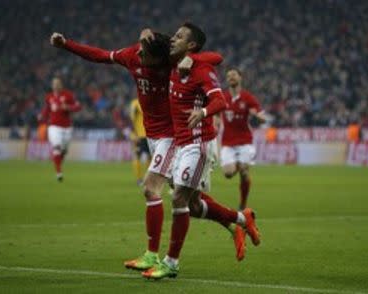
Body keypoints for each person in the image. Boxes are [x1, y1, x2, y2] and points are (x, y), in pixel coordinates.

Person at [50, 31, 247, 270]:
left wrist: (192, 60)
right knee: (192, 203)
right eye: (140, 49)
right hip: (152, 136)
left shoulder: (172, 61)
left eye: (145, 52)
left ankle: (153, 255)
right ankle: (238, 220)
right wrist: (65, 44)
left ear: (160, 58)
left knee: (151, 189)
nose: (139, 53)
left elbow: (215, 57)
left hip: (172, 136)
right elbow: (100, 55)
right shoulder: (133, 55)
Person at [142, 23, 261, 280]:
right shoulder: (174, 63)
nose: (173, 39)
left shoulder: (201, 69)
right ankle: (242, 218)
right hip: (182, 143)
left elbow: (221, 99)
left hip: (198, 143)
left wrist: (203, 111)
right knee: (194, 206)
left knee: (178, 199)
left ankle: (170, 263)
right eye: (173, 35)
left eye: (180, 37)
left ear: (192, 45)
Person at [220, 68, 266, 210]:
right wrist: (215, 121)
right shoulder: (222, 97)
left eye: (234, 75)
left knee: (245, 173)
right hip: (227, 142)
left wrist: (257, 116)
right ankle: (242, 164)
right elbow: (214, 112)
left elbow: (262, 117)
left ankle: (243, 203)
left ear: (240, 78)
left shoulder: (248, 97)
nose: (231, 77)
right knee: (228, 173)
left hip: (245, 141)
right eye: (228, 76)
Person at [38, 76, 81, 182]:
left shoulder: (68, 95)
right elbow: (47, 109)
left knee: (64, 151)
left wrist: (69, 108)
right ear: (52, 85)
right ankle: (59, 173)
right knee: (57, 148)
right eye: (54, 84)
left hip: (67, 127)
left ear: (61, 85)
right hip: (54, 127)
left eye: (58, 83)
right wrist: (42, 116)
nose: (56, 85)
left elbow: (78, 107)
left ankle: (58, 165)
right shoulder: (49, 97)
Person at [129, 97, 151, 185]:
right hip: (141, 135)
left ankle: (146, 178)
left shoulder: (135, 103)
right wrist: (134, 134)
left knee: (148, 157)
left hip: (147, 135)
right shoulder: (136, 103)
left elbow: (131, 119)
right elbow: (132, 119)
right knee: (139, 156)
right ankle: (140, 179)